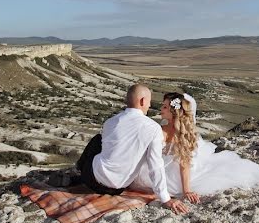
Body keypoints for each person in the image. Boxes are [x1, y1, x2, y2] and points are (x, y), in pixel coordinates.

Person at [130, 92, 259, 200]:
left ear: (174, 112)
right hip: (162, 165)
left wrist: (186, 191)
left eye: (165, 106)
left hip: (172, 173)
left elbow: (184, 163)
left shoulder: (173, 133)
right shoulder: (162, 128)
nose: (161, 109)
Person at [75, 83, 188, 214]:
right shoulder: (153, 128)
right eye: (149, 102)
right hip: (118, 188)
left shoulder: (109, 122)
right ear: (142, 101)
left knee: (97, 140)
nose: (150, 105)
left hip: (92, 180)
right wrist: (166, 199)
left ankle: (78, 169)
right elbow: (155, 165)